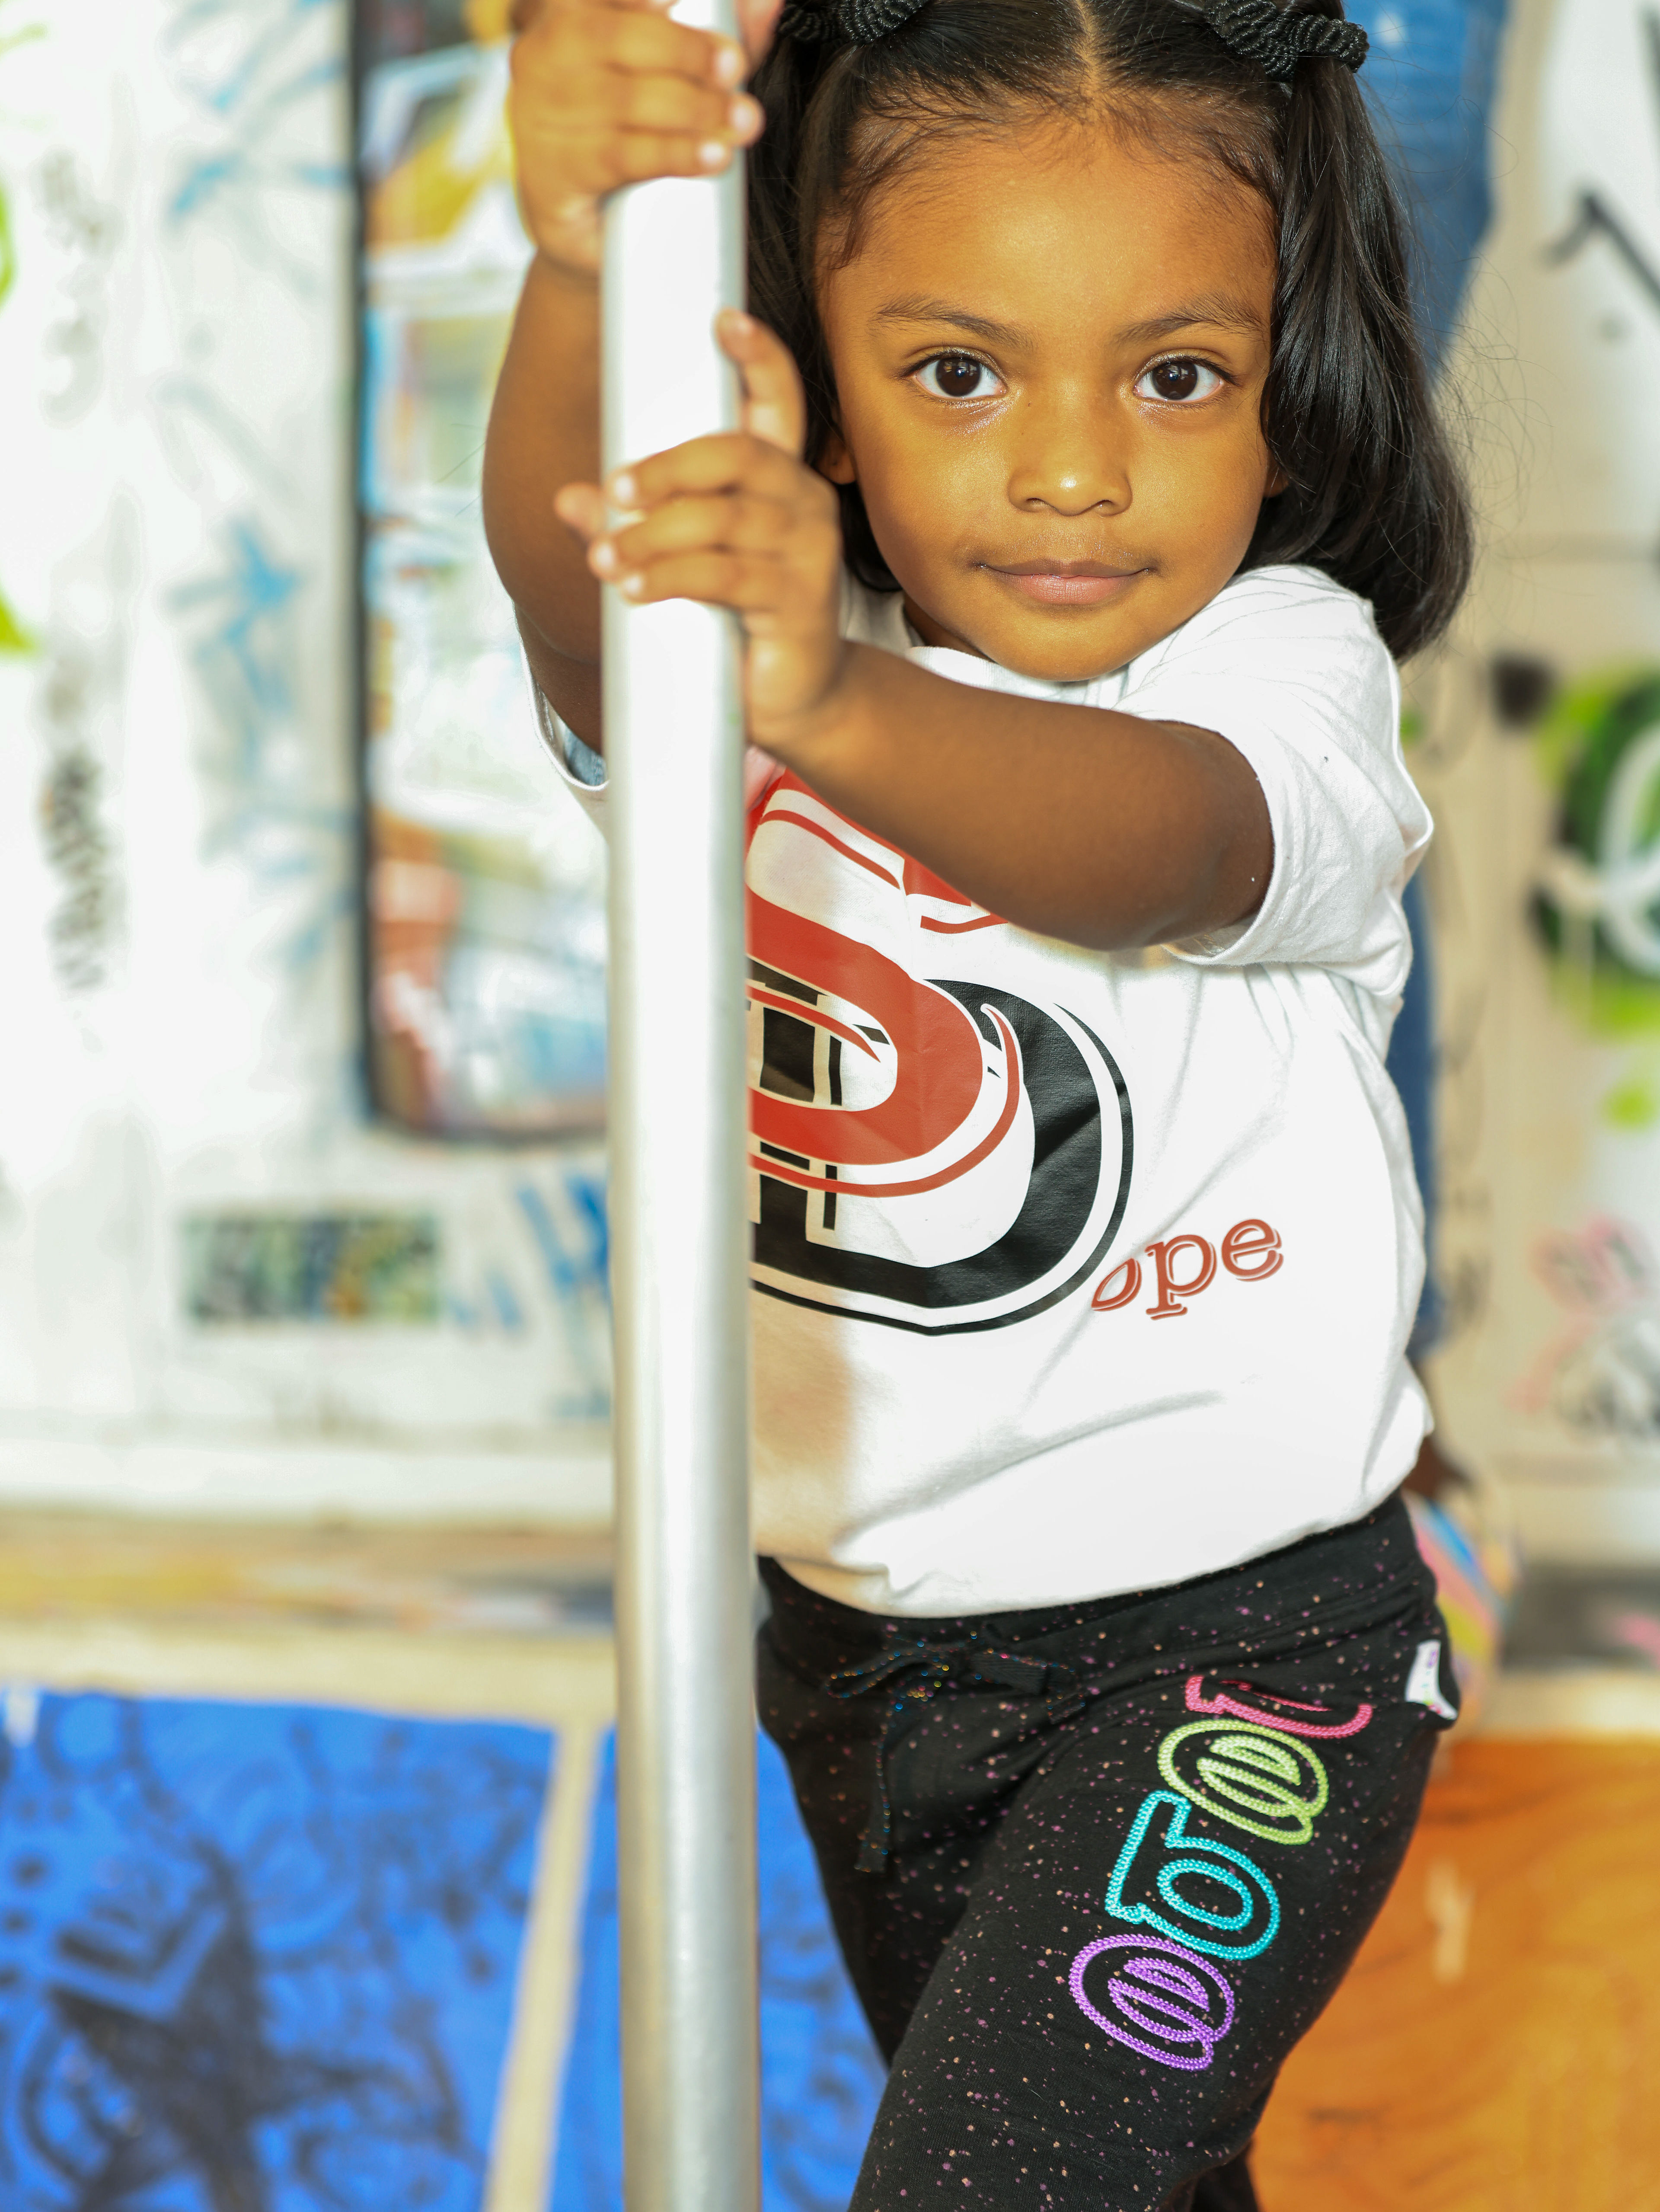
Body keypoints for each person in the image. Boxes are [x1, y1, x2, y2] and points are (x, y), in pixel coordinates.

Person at [482, 0, 1473, 2199]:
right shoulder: (744, 655)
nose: (1072, 471)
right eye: (957, 374)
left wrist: (830, 695)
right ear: (821, 390)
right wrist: (576, 253)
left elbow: (1167, 846)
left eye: (1176, 377)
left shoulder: (1275, 671)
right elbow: (573, 582)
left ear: (1286, 392)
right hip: (866, 1656)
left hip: (1237, 1663)